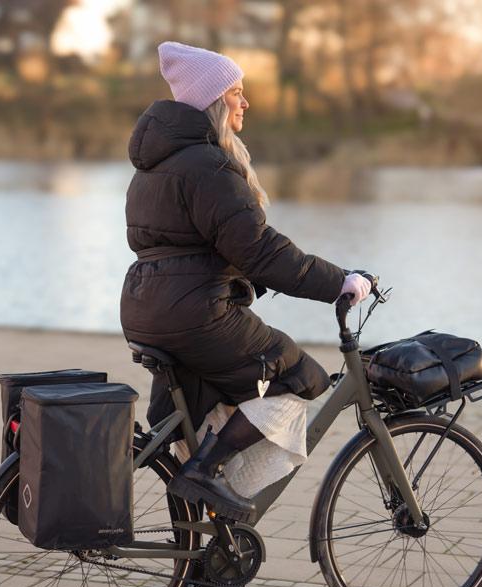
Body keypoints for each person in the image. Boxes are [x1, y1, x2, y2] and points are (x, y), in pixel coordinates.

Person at [120, 41, 372, 525]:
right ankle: (207, 472)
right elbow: (259, 250)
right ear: (215, 102)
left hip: (147, 307)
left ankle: (201, 550)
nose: (246, 102)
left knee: (200, 414)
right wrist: (339, 281)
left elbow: (226, 247)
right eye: (237, 92)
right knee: (298, 377)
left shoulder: (155, 167)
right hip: (195, 312)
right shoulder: (209, 166)